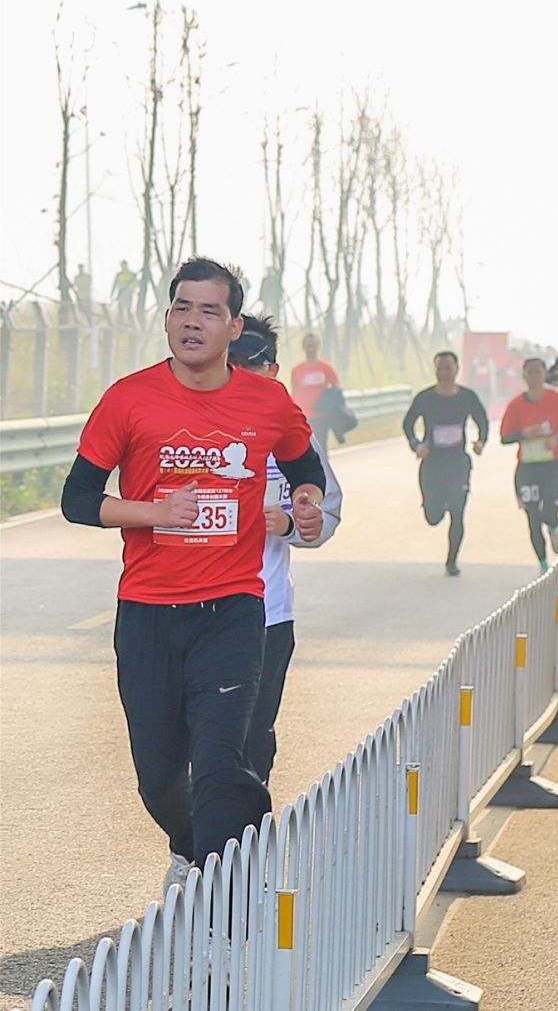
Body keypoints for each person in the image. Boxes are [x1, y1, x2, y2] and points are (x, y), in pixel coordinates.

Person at [59, 257, 326, 894]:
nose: (193, 321)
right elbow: (76, 500)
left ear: (234, 327)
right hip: (149, 610)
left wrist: (308, 503)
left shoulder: (267, 401)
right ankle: (197, 848)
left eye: (210, 310)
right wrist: (154, 512)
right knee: (159, 776)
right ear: (169, 317)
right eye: (183, 307)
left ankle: (223, 904)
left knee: (219, 761)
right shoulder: (129, 398)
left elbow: (303, 463)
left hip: (233, 610)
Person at [228, 315, 344, 787]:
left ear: (273, 371)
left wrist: (293, 522)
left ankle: (242, 842)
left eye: (250, 366)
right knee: (199, 735)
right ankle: (197, 841)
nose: (238, 375)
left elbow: (327, 509)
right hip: (194, 609)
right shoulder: (190, 431)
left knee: (254, 732)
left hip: (267, 612)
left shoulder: (292, 435)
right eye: (230, 364)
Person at [403, 351, 489, 577]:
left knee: (458, 512)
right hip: (432, 463)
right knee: (433, 517)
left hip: (458, 463)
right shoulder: (425, 398)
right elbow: (408, 424)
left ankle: (452, 561)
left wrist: (480, 442)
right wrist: (416, 444)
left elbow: (482, 421)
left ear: (457, 369)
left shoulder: (467, 397)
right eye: (440, 369)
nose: (444, 373)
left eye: (448, 368)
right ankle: (436, 505)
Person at [500, 357, 558, 571]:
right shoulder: (516, 405)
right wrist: (524, 434)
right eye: (530, 372)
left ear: (545, 375)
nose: (534, 376)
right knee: (533, 516)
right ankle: (543, 563)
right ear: (524, 376)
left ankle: (554, 526)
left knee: (548, 510)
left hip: (553, 466)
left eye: (538, 372)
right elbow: (505, 437)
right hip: (527, 469)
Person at [291, 334, 340, 447]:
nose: (311, 348)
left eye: (313, 345)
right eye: (308, 345)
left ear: (318, 346)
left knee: (321, 447)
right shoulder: (297, 370)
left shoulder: (327, 368)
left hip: (321, 415)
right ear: (304, 347)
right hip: (303, 416)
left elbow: (336, 391)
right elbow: (294, 391)